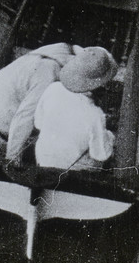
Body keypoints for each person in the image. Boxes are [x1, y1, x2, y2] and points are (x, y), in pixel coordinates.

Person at [14, 47, 119, 176]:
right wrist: (110, 136)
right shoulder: (95, 115)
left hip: (42, 160)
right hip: (70, 174)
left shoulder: (53, 88)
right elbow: (101, 154)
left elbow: (39, 124)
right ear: (100, 85)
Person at [0, 41, 73, 144]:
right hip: (4, 118)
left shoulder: (59, 50)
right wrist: (11, 157)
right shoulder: (47, 73)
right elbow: (24, 115)